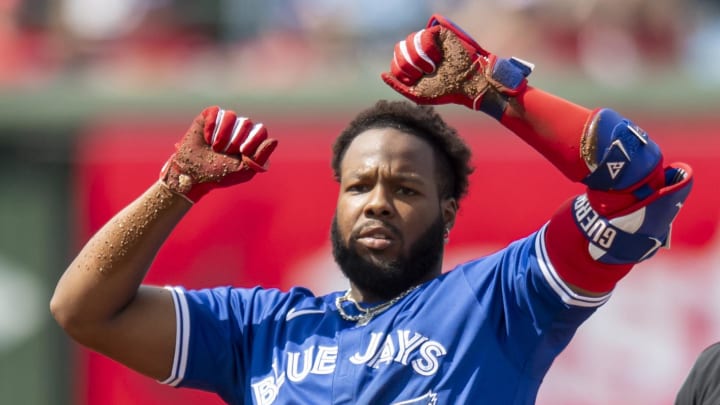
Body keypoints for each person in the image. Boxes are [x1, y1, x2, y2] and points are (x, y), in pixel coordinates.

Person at [50, 14, 693, 405]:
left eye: (406, 189)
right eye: (358, 187)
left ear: (447, 211)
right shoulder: (258, 330)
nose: (377, 202)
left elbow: (640, 187)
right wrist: (175, 186)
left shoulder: (501, 300)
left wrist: (490, 87)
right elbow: (83, 310)